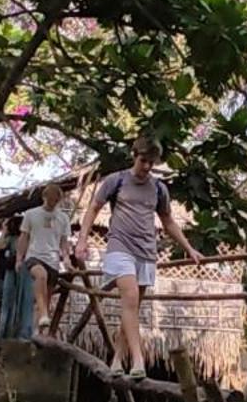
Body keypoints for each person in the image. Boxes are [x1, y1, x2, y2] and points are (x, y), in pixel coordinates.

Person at [83, 135, 198, 373]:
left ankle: (117, 360)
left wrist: (189, 248)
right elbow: (93, 208)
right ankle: (138, 361)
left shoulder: (158, 188)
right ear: (134, 155)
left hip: (146, 252)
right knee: (131, 298)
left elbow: (168, 222)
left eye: (151, 163)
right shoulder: (117, 181)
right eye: (143, 160)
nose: (146, 167)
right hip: (119, 247)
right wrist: (82, 240)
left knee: (132, 308)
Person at [18, 182, 69, 332]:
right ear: (44, 197)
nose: (52, 203)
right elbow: (24, 237)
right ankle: (44, 315)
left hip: (53, 260)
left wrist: (65, 257)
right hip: (34, 256)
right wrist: (19, 258)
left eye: (55, 201)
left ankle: (38, 333)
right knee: (41, 275)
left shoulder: (63, 218)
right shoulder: (31, 214)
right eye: (50, 200)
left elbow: (64, 241)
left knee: (45, 299)